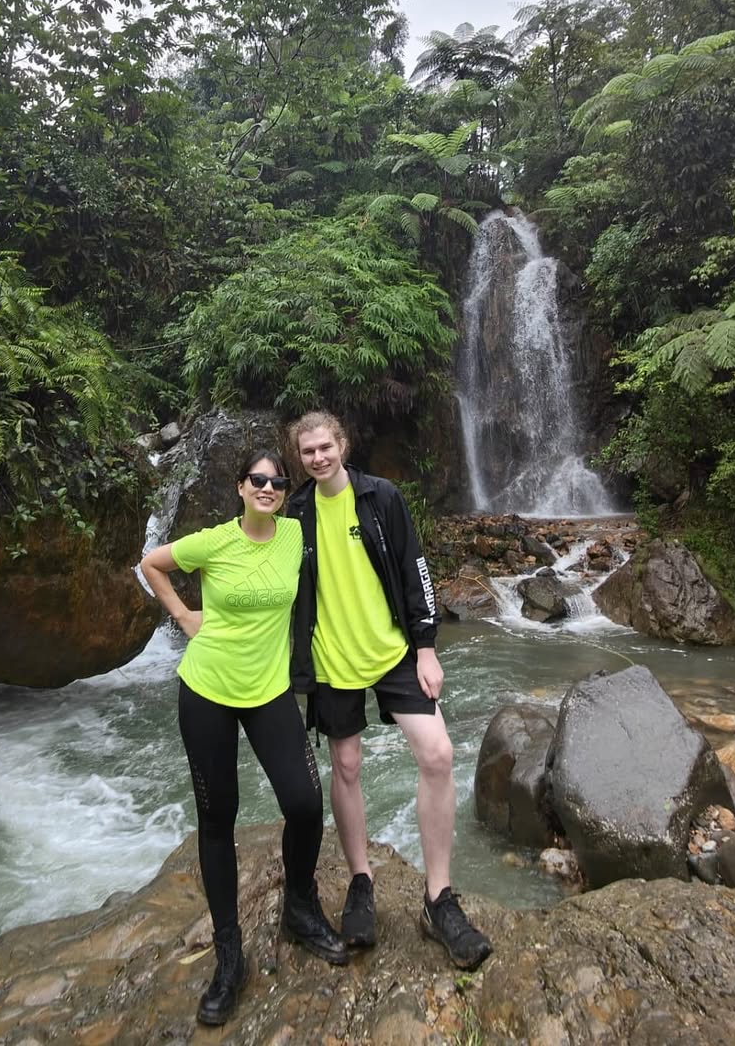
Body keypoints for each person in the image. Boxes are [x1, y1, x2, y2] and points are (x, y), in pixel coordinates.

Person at [139, 448, 346, 1028]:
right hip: (206, 689)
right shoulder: (213, 540)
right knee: (218, 817)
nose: (268, 487)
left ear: (285, 491)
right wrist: (184, 616)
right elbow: (152, 563)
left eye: (278, 481)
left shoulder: (293, 535)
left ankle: (299, 910)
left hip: (270, 690)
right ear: (239, 486)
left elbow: (344, 518)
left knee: (305, 804)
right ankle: (229, 955)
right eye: (258, 480)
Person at [286, 412, 492, 972]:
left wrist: (426, 647)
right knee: (346, 766)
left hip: (394, 651)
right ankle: (360, 882)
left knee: (438, 754)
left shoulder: (382, 498)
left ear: (343, 445)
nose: (318, 457)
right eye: (307, 451)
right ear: (298, 458)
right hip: (331, 659)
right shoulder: (294, 513)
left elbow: (414, 569)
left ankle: (439, 899)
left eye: (325, 446)